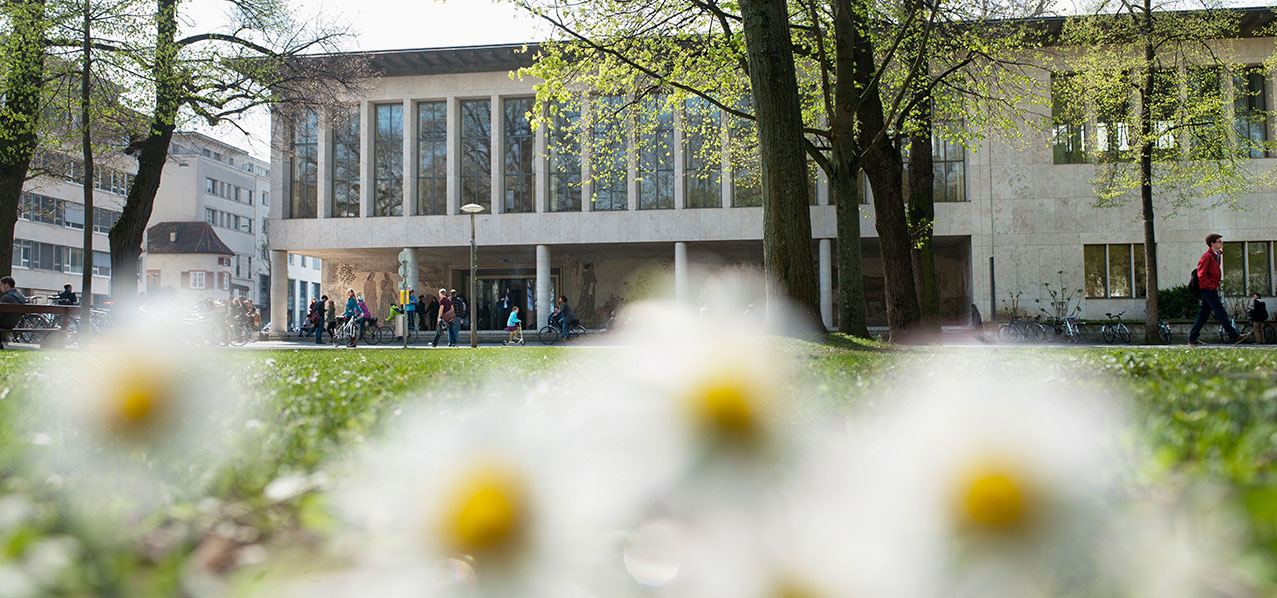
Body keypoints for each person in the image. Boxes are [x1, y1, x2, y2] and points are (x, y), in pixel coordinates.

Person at [1189, 233, 1249, 345]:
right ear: (1212, 244)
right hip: (1207, 289)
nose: (1222, 243)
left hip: (1211, 288)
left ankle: (1193, 338)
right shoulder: (1207, 256)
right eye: (1219, 241)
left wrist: (1216, 285)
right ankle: (1234, 336)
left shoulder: (1217, 255)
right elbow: (1201, 274)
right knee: (1220, 311)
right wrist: (1211, 286)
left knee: (1203, 314)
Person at [0, 276, 28, 341]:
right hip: (14, 323)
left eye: (1, 285)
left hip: (5, 323)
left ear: (7, 285)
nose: (0, 287)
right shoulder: (21, 297)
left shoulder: (6, 297)